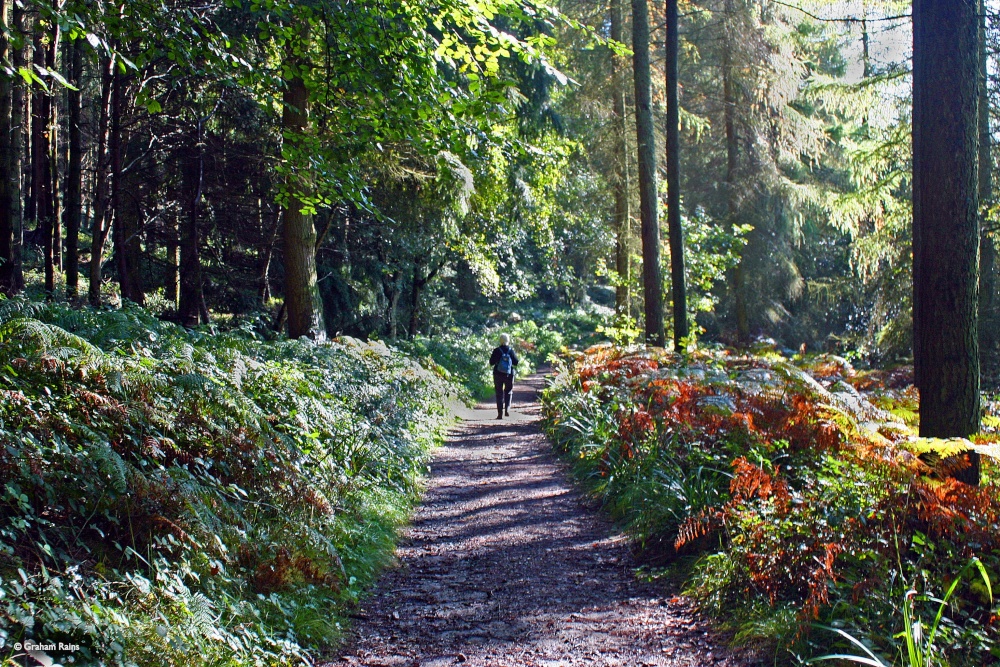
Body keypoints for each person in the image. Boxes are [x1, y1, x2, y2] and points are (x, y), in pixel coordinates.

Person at [489, 333, 518, 419]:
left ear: (500, 340)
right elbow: (516, 362)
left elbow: (491, 362)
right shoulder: (511, 350)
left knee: (499, 392)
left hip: (497, 374)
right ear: (508, 340)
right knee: (508, 391)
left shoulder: (496, 350)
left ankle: (500, 413)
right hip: (509, 374)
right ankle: (507, 409)